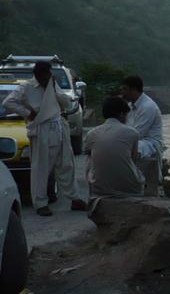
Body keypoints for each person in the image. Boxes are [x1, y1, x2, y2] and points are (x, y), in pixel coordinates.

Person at [2, 61, 84, 215]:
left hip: (59, 126)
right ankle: (40, 204)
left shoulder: (52, 85)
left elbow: (65, 104)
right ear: (37, 75)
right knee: (41, 168)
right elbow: (9, 102)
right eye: (43, 76)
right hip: (42, 129)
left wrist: (53, 87)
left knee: (67, 164)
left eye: (48, 75)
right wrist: (28, 113)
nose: (46, 78)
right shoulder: (27, 87)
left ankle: (74, 198)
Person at [84, 96, 144, 198]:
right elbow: (134, 160)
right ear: (121, 114)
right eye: (126, 115)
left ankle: (92, 193)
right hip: (131, 189)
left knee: (90, 156)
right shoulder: (133, 133)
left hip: (99, 190)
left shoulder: (91, 134)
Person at [120, 75, 164, 160]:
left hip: (150, 144)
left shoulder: (148, 107)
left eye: (124, 89)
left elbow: (137, 134)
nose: (122, 93)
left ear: (134, 90)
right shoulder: (130, 106)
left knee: (127, 147)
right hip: (136, 141)